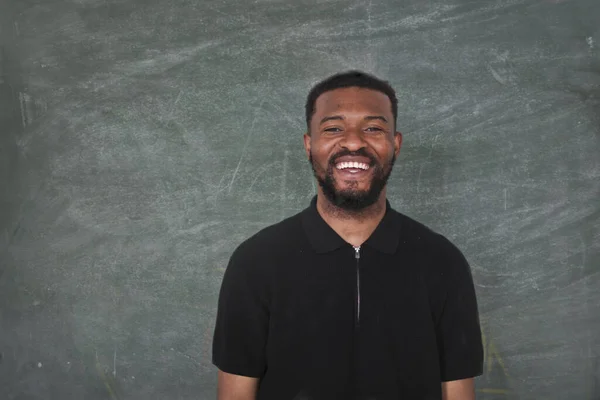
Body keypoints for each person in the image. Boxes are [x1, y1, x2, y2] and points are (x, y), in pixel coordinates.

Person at [212, 70, 484, 400]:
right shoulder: (255, 262)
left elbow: (458, 394)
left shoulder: (443, 262)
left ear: (395, 144)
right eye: (334, 128)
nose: (354, 141)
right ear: (309, 145)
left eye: (372, 128)